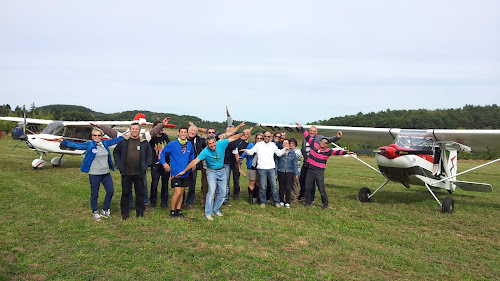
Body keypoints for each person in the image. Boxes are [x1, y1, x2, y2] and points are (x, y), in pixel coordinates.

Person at [177, 131, 247, 220]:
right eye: (209, 144)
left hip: (222, 171)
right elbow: (195, 161)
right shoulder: (205, 151)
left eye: (213, 143)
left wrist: (242, 133)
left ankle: (216, 210)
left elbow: (233, 138)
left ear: (215, 142)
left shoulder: (221, 143)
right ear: (207, 144)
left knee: (222, 193)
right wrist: (184, 171)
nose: (212, 145)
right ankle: (208, 213)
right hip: (211, 172)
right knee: (211, 192)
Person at [57, 128, 123, 221]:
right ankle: (95, 211)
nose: (97, 137)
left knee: (110, 191)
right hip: (94, 173)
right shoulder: (89, 144)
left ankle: (105, 210)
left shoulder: (105, 143)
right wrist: (64, 142)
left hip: (106, 173)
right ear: (92, 137)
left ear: (101, 136)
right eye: (95, 135)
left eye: (99, 135)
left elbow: (114, 141)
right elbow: (76, 145)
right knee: (94, 193)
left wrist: (122, 137)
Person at [296, 122, 353, 209]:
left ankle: (325, 204)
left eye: (326, 142)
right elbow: (307, 136)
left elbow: (337, 152)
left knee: (321, 189)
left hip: (319, 172)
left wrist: (346, 152)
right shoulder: (313, 144)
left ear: (327, 144)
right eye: (322, 141)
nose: (323, 143)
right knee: (307, 187)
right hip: (310, 170)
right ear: (320, 142)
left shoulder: (328, 151)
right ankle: (308, 202)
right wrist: (301, 128)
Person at [113, 123, 153, 220]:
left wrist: (145, 165)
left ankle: (139, 212)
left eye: (137, 129)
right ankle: (124, 213)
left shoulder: (144, 142)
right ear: (130, 130)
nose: (135, 130)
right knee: (125, 193)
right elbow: (116, 152)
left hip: (139, 173)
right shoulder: (124, 141)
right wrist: (119, 164)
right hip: (126, 172)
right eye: (133, 129)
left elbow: (149, 155)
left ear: (139, 131)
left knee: (140, 194)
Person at [240, 131, 286, 208]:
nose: (267, 138)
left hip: (271, 168)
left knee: (274, 186)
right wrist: (246, 151)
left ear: (270, 137)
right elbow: (251, 152)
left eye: (268, 136)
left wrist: (285, 149)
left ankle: (276, 202)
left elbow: (279, 153)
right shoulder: (259, 145)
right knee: (263, 186)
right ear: (263, 136)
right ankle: (262, 202)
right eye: (265, 136)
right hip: (261, 168)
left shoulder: (273, 145)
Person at [298, 125, 342, 203]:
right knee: (302, 179)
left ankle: (312, 198)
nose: (311, 132)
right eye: (310, 131)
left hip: (315, 165)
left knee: (312, 182)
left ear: (316, 132)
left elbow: (329, 140)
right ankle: (302, 195)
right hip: (307, 162)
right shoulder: (306, 139)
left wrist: (337, 137)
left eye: (313, 131)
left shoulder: (319, 138)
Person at [159, 126, 195, 218]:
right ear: (178, 133)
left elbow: (192, 155)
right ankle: (172, 211)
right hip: (176, 173)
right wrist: (164, 163)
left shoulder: (189, 144)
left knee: (182, 192)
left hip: (185, 173)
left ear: (187, 134)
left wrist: (192, 163)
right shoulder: (172, 144)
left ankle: (178, 211)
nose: (183, 134)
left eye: (185, 132)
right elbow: (162, 153)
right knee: (177, 192)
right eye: (181, 132)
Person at [223, 128, 251, 204]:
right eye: (245, 134)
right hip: (226, 162)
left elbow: (237, 154)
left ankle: (236, 195)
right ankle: (226, 196)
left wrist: (239, 166)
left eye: (247, 135)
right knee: (226, 180)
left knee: (236, 179)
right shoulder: (233, 140)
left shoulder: (246, 144)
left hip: (235, 161)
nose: (246, 136)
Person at [149, 120, 171, 210]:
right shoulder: (151, 139)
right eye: (159, 127)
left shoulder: (165, 137)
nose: (162, 129)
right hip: (156, 165)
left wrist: (165, 161)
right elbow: (149, 152)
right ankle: (153, 203)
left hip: (165, 164)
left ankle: (164, 203)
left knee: (165, 184)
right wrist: (154, 161)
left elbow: (169, 149)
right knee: (154, 184)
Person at [185, 125, 205, 209]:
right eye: (191, 130)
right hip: (183, 165)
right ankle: (181, 202)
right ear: (188, 131)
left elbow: (211, 139)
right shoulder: (183, 139)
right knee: (182, 185)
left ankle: (189, 203)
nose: (192, 132)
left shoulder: (199, 140)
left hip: (194, 166)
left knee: (192, 185)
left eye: (194, 131)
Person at [239, 132, 263, 204]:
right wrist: (241, 158)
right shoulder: (251, 145)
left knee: (259, 182)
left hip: (260, 166)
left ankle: (258, 198)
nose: (259, 139)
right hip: (251, 166)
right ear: (255, 138)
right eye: (258, 138)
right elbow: (246, 152)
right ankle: (251, 199)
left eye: (260, 138)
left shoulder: (263, 146)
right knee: (252, 182)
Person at [276, 139, 299, 208]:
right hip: (281, 171)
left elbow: (295, 164)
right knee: (281, 186)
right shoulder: (279, 152)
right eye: (284, 143)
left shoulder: (292, 153)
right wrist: (275, 173)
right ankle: (281, 201)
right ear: (282, 144)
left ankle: (287, 202)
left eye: (287, 143)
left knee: (288, 187)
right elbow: (276, 163)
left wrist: (296, 173)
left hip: (289, 171)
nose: (286, 144)